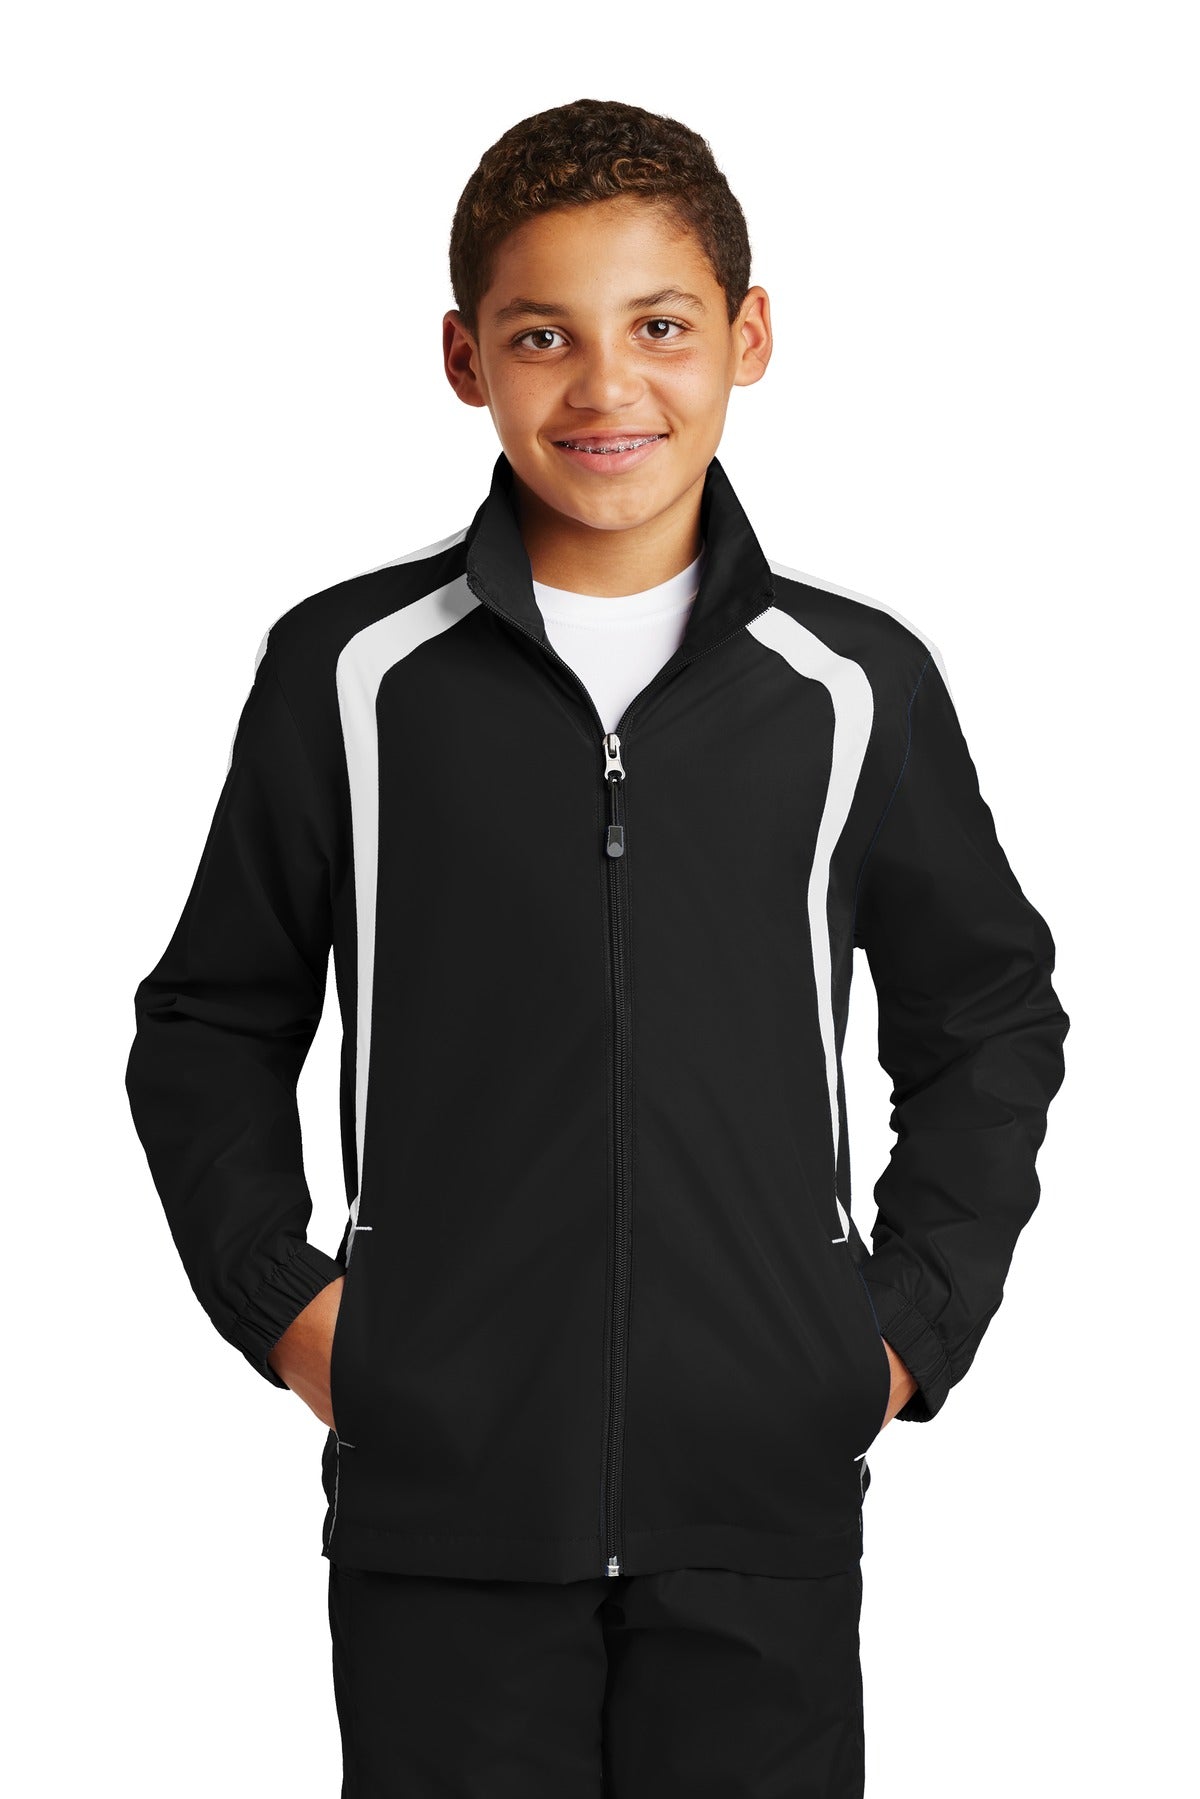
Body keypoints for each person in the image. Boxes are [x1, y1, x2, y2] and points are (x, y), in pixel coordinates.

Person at [125, 95, 1070, 1797]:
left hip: (761, 1499)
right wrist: (295, 1310)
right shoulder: (352, 673)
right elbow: (210, 1020)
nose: (606, 387)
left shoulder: (852, 686)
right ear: (464, 358)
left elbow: (987, 1009)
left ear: (749, 337)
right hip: (446, 1499)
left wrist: (903, 1324)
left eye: (661, 328)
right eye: (543, 335)